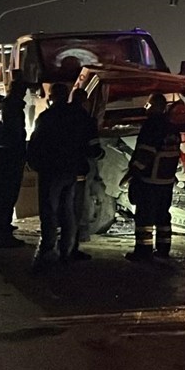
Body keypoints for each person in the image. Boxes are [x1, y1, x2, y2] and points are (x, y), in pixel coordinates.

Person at [26, 83, 98, 271]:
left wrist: (34, 164)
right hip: (72, 172)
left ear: (51, 96)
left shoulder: (46, 117)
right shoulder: (79, 116)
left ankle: (47, 252)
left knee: (49, 211)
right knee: (68, 211)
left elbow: (36, 143)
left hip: (51, 171)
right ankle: (66, 251)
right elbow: (92, 146)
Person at [122, 93, 180, 262]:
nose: (146, 108)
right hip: (166, 181)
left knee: (144, 218)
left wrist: (133, 173)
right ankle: (163, 250)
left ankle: (143, 251)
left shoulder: (151, 126)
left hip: (149, 180)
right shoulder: (172, 128)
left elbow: (145, 154)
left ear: (155, 106)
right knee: (163, 216)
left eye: (148, 105)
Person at [0, 75, 27, 247]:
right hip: (9, 158)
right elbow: (16, 136)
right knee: (7, 197)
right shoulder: (13, 108)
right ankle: (3, 235)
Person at [67, 87, 99, 260]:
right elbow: (93, 147)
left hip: (61, 169)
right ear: (85, 101)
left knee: (63, 205)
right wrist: (99, 154)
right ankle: (74, 244)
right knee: (78, 205)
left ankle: (58, 246)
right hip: (79, 169)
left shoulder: (59, 116)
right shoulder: (86, 120)